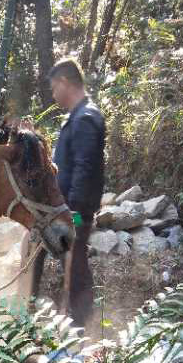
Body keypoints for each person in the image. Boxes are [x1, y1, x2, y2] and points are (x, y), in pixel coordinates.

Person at [49, 58, 106, 327]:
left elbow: (85, 168)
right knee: (72, 263)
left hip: (77, 213)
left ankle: (84, 327)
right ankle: (79, 323)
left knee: (77, 265)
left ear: (64, 82)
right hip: (68, 211)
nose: (53, 94)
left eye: (53, 88)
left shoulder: (85, 118)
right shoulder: (77, 117)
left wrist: (73, 212)